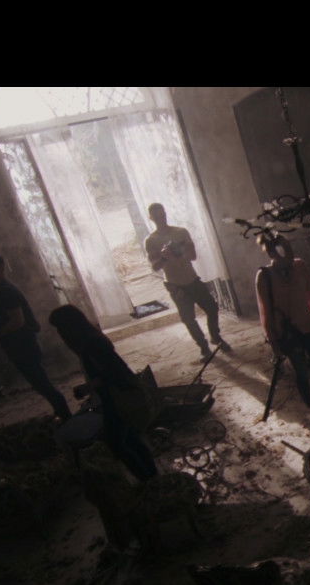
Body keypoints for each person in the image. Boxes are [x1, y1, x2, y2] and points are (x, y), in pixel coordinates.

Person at [47, 304, 158, 482]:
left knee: (117, 444)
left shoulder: (92, 345)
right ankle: (151, 477)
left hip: (117, 397)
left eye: (60, 328)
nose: (60, 334)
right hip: (114, 396)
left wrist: (87, 388)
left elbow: (112, 373)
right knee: (130, 439)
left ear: (70, 327)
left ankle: (147, 479)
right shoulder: (91, 341)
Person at [253, 234, 310, 417]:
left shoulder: (300, 266)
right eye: (282, 251)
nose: (288, 256)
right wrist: (274, 342)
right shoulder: (264, 276)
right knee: (301, 373)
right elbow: (266, 313)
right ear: (271, 253)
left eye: (289, 250)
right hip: (287, 333)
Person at [0, 252, 71, 420]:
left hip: (23, 346)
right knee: (39, 383)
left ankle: (65, 414)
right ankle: (62, 412)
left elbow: (18, 321)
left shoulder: (6, 291)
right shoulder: (1, 290)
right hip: (20, 345)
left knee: (41, 383)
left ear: (1, 267)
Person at [144, 202, 224, 362]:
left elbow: (193, 256)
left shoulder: (180, 232)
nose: (161, 218)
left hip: (191, 278)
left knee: (212, 308)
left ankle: (215, 337)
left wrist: (181, 252)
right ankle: (204, 348)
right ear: (151, 218)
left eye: (162, 214)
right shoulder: (151, 241)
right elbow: (155, 267)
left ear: (165, 213)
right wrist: (164, 256)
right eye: (157, 216)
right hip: (174, 284)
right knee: (188, 319)